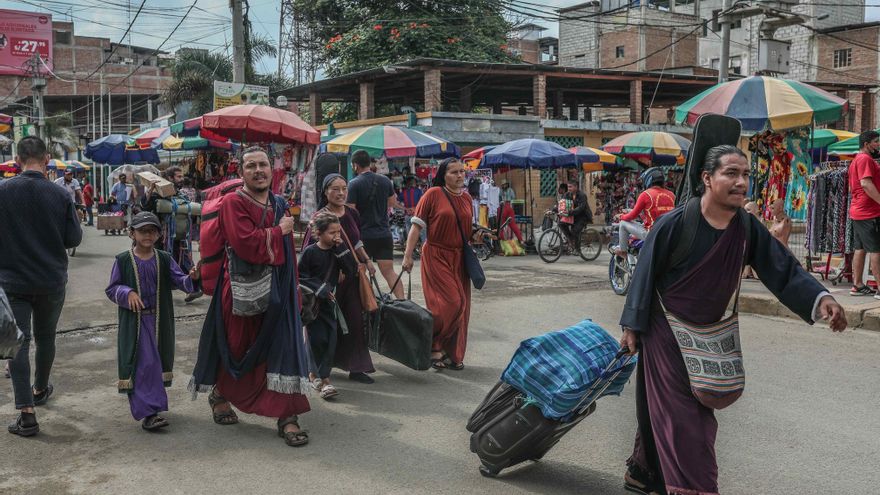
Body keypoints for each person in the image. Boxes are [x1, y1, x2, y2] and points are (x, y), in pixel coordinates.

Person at [619, 145, 847, 495]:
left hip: (711, 333)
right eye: (731, 173)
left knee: (664, 408)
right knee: (689, 419)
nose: (741, 182)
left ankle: (643, 470)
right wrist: (632, 326)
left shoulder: (747, 228)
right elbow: (643, 277)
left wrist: (823, 299)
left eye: (745, 175)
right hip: (666, 331)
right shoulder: (674, 225)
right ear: (706, 179)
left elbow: (781, 268)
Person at [189, 146, 312, 447]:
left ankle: (288, 416)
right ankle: (221, 393)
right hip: (241, 289)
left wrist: (294, 288)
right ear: (240, 171)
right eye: (251, 166)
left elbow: (288, 255)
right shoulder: (233, 203)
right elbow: (244, 244)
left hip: (279, 288)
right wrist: (279, 231)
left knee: (283, 348)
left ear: (272, 169)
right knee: (238, 348)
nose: (258, 170)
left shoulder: (280, 202)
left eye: (263, 165)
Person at [0, 136, 82, 437]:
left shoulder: (2, 191)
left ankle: (26, 413)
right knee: (46, 337)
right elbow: (73, 240)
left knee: (17, 343)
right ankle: (39, 388)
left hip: (12, 282)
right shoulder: (60, 195)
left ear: (18, 159)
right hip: (51, 280)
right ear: (46, 159)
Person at [105, 212, 201, 431]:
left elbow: (181, 281)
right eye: (142, 231)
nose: (148, 235)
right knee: (143, 364)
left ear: (159, 234)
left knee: (154, 363)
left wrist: (193, 277)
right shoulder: (123, 260)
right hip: (135, 323)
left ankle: (151, 409)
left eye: (152, 231)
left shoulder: (164, 258)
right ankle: (150, 413)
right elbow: (112, 289)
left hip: (159, 321)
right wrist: (127, 293)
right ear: (132, 233)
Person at [303, 173, 378, 385]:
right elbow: (310, 249)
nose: (341, 193)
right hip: (329, 283)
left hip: (352, 277)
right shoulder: (319, 217)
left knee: (355, 322)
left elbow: (356, 241)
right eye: (335, 189)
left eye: (344, 188)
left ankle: (356, 367)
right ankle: (316, 370)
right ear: (325, 192)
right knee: (325, 326)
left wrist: (366, 260)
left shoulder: (352, 214)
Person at [402, 158, 474, 371]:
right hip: (436, 255)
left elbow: (466, 230)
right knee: (452, 303)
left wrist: (477, 235)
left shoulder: (467, 198)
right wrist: (407, 256)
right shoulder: (432, 195)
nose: (460, 176)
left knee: (462, 307)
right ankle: (433, 344)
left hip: (459, 257)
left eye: (462, 171)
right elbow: (416, 228)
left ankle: (451, 353)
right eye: (454, 172)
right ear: (443, 175)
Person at [299, 212, 356, 400]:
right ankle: (319, 378)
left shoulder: (337, 250)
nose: (336, 236)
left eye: (338, 231)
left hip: (330, 305)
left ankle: (323, 377)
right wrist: (321, 288)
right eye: (332, 232)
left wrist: (342, 250)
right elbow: (301, 276)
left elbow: (351, 270)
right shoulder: (310, 252)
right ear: (319, 233)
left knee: (330, 340)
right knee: (316, 339)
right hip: (313, 304)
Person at [347, 149, 404, 299]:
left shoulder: (353, 184)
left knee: (361, 272)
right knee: (389, 272)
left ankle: (364, 305)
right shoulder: (385, 180)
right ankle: (403, 303)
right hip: (384, 234)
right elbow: (392, 203)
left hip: (363, 236)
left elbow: (350, 211)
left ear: (355, 165)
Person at [848, 130, 880, 297]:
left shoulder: (856, 160)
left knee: (860, 248)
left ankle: (858, 285)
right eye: (876, 141)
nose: (878, 144)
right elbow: (866, 184)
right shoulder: (865, 159)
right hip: (868, 212)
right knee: (876, 250)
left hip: (859, 211)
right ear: (866, 144)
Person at [614, 167, 676, 255]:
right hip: (670, 234)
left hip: (653, 234)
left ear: (648, 180)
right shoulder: (672, 195)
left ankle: (622, 250)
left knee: (623, 223)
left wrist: (620, 216)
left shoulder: (646, 194)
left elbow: (631, 216)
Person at [559, 181, 592, 251]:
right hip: (573, 216)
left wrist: (570, 212)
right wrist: (554, 210)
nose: (569, 188)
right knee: (561, 223)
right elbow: (562, 204)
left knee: (575, 230)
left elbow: (581, 208)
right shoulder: (567, 194)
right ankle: (570, 238)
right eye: (568, 187)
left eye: (570, 187)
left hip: (583, 216)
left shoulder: (582, 195)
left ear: (576, 187)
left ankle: (577, 250)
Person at [399, 176, 425, 245]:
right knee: (422, 234)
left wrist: (406, 209)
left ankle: (411, 250)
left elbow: (398, 202)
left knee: (410, 233)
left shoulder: (403, 192)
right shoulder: (418, 191)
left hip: (408, 215)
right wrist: (414, 208)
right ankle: (423, 249)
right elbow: (422, 202)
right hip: (417, 215)